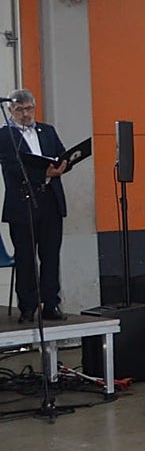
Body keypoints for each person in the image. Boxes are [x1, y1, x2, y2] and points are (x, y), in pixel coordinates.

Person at [0, 89, 70, 321]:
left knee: (51, 255)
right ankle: (28, 306)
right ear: (11, 111)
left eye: (29, 108)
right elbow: (11, 167)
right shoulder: (5, 135)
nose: (25, 114)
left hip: (50, 198)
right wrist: (43, 173)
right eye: (20, 110)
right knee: (26, 256)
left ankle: (51, 303)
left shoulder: (47, 131)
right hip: (23, 202)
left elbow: (62, 154)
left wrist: (62, 166)